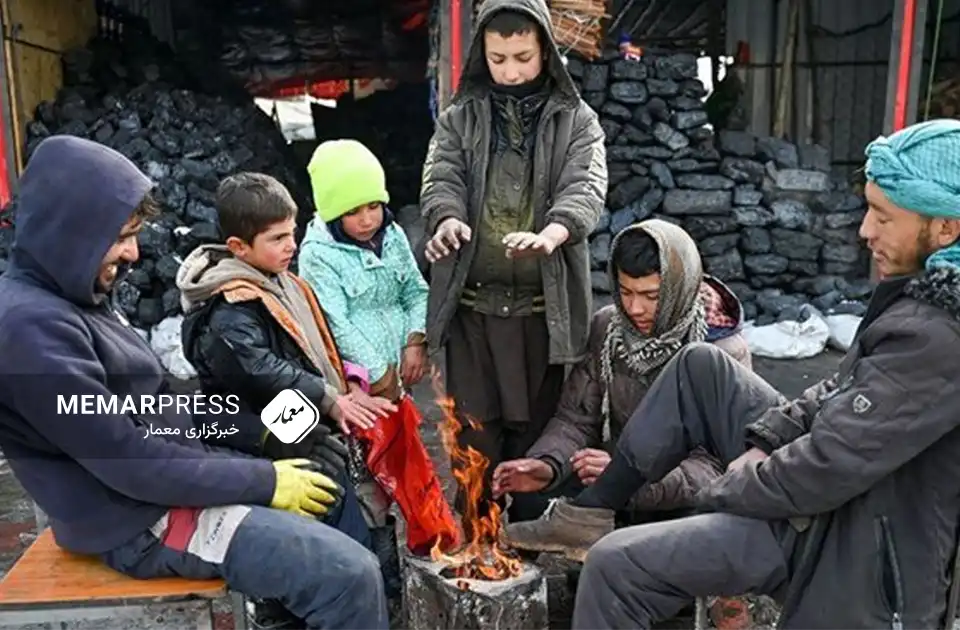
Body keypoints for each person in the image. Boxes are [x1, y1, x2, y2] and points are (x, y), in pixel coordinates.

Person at [565, 119, 960, 629]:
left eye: (883, 217)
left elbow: (827, 465)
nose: (865, 230)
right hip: (820, 500)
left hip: (844, 543)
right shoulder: (918, 297)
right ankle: (591, 510)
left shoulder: (936, 337)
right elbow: (838, 388)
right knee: (701, 366)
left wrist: (729, 487)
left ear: (946, 228)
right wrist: (768, 437)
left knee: (614, 565)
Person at [0, 135, 388, 630]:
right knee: (349, 575)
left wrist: (267, 435)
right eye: (121, 237)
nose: (134, 253)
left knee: (330, 494)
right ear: (71, 232)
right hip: (140, 520)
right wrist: (265, 479)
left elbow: (171, 406)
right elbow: (129, 459)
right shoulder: (29, 331)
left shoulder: (77, 299)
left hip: (170, 477)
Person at [494, 219, 755, 628]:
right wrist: (546, 464)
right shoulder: (608, 327)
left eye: (651, 296)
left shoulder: (721, 350)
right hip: (614, 480)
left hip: (675, 494)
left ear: (680, 287)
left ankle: (705, 593)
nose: (635, 309)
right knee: (531, 501)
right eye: (626, 292)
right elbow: (575, 417)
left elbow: (714, 467)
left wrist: (627, 479)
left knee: (670, 557)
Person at [176, 171, 394, 626]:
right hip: (261, 443)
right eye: (276, 238)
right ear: (238, 247)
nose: (291, 245)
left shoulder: (282, 282)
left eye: (292, 233)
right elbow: (259, 372)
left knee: (345, 519)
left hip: (300, 430)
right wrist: (325, 399)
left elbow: (313, 348)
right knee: (316, 542)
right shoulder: (230, 308)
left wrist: (349, 381)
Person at [419, 0, 607, 526]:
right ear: (482, 54)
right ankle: (477, 540)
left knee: (539, 438)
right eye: (498, 59)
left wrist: (552, 234)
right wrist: (446, 220)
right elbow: (441, 178)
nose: (511, 72)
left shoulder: (577, 121)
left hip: (543, 314)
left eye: (522, 57)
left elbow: (585, 188)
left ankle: (532, 536)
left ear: (545, 50)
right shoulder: (459, 118)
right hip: (473, 313)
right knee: (473, 437)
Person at [296, 139, 459, 589]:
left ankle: (410, 558)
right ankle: (377, 572)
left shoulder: (393, 236)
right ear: (332, 213)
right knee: (368, 476)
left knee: (402, 466)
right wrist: (377, 371)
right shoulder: (318, 255)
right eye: (353, 211)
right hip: (357, 386)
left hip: (396, 379)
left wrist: (414, 341)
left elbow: (415, 291)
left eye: (373, 206)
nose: (367, 219)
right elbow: (336, 322)